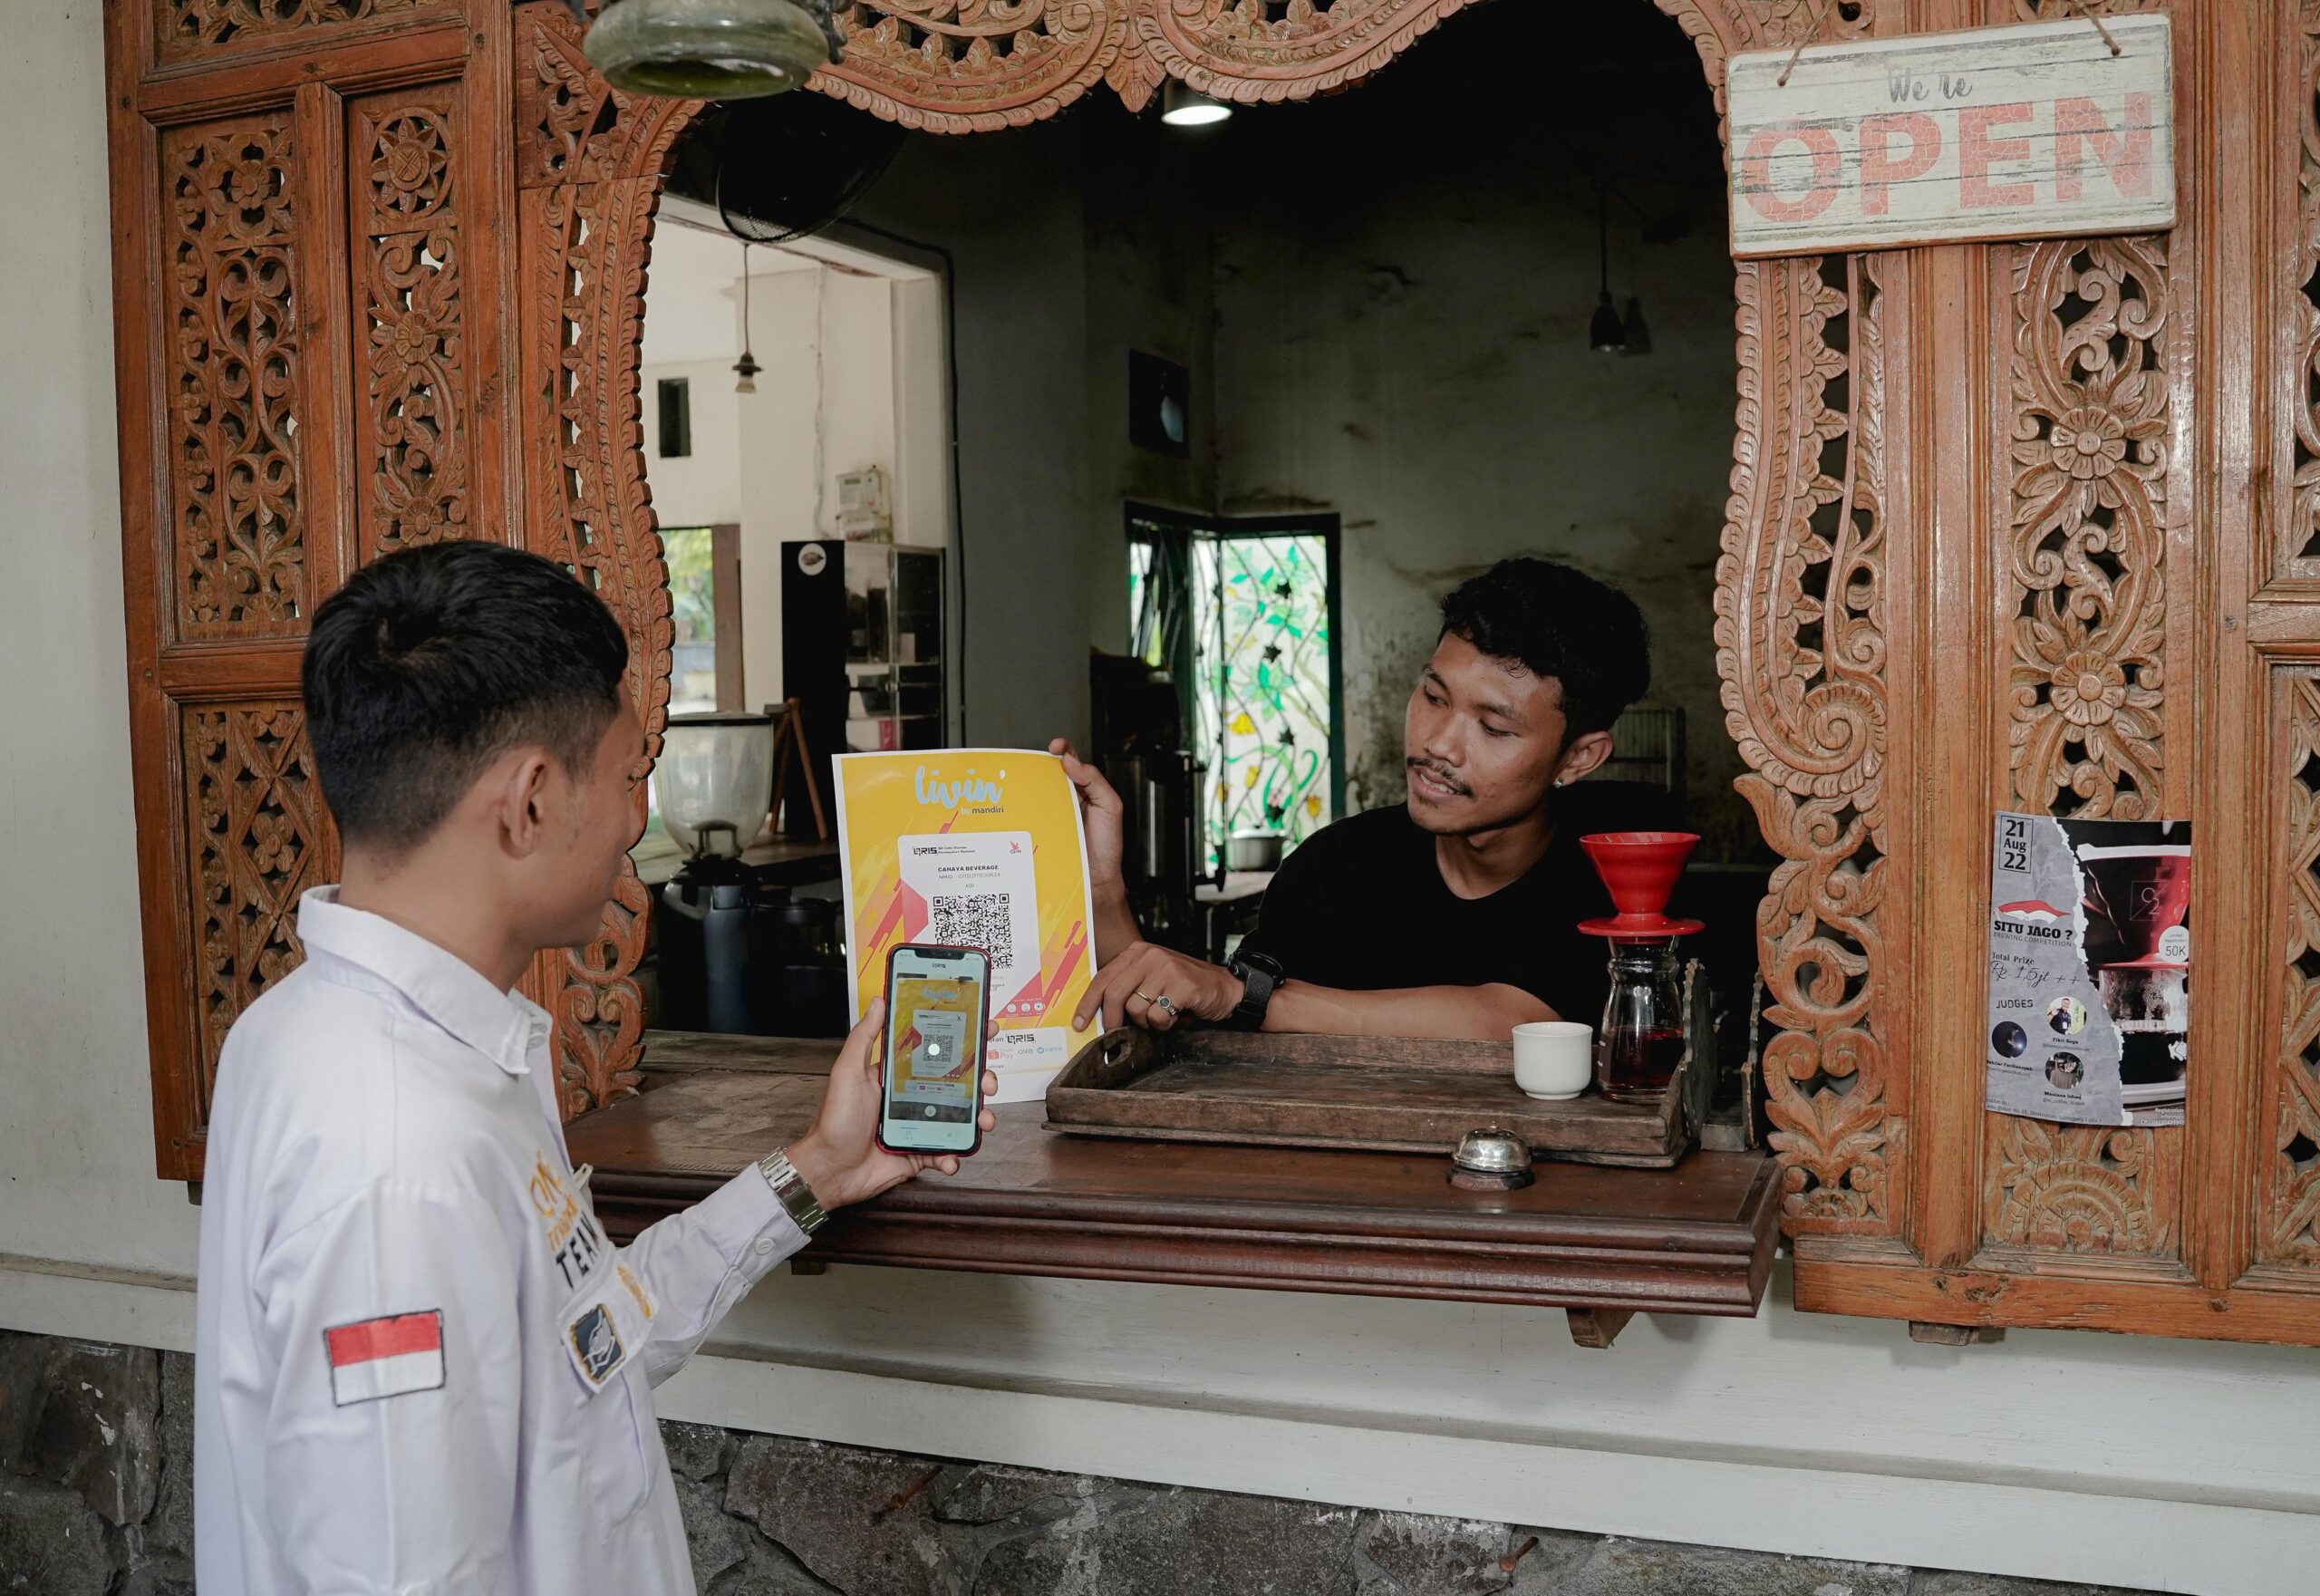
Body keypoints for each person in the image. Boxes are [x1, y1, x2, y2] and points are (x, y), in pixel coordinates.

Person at [192, 539, 995, 1596]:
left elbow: (585, 1346)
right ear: (528, 801)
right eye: (626, 778)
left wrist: (817, 1172)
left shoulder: (335, 1035)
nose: (636, 819)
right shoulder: (398, 1151)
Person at [1062, 557, 1661, 1042]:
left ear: (1579, 758)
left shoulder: (1620, 875)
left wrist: (1251, 997)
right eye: (1433, 696)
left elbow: (1513, 1022)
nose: (1438, 744)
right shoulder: (1334, 868)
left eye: (1494, 727)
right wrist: (1103, 889)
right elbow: (1192, 1016)